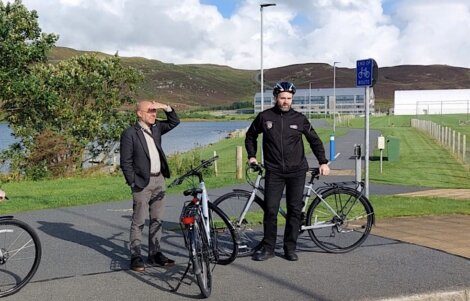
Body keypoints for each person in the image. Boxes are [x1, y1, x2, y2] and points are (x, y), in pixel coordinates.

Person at [245, 81, 330, 262]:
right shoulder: (265, 117)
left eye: (289, 98)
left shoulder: (299, 119)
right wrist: (251, 156)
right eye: (282, 98)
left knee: (294, 210)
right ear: (276, 98)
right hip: (274, 171)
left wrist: (323, 161)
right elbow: (250, 135)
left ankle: (290, 248)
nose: (285, 101)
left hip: (297, 171)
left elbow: (314, 140)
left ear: (292, 99)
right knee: (270, 210)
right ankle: (268, 248)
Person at [120, 100, 180, 272]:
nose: (154, 114)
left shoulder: (157, 128)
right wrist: (133, 181)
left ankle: (155, 253)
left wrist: (166, 107)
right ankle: (136, 256)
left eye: (156, 111)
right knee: (138, 220)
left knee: (157, 219)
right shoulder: (129, 133)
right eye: (151, 111)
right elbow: (126, 162)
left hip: (159, 180)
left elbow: (175, 122)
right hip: (141, 183)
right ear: (139, 113)